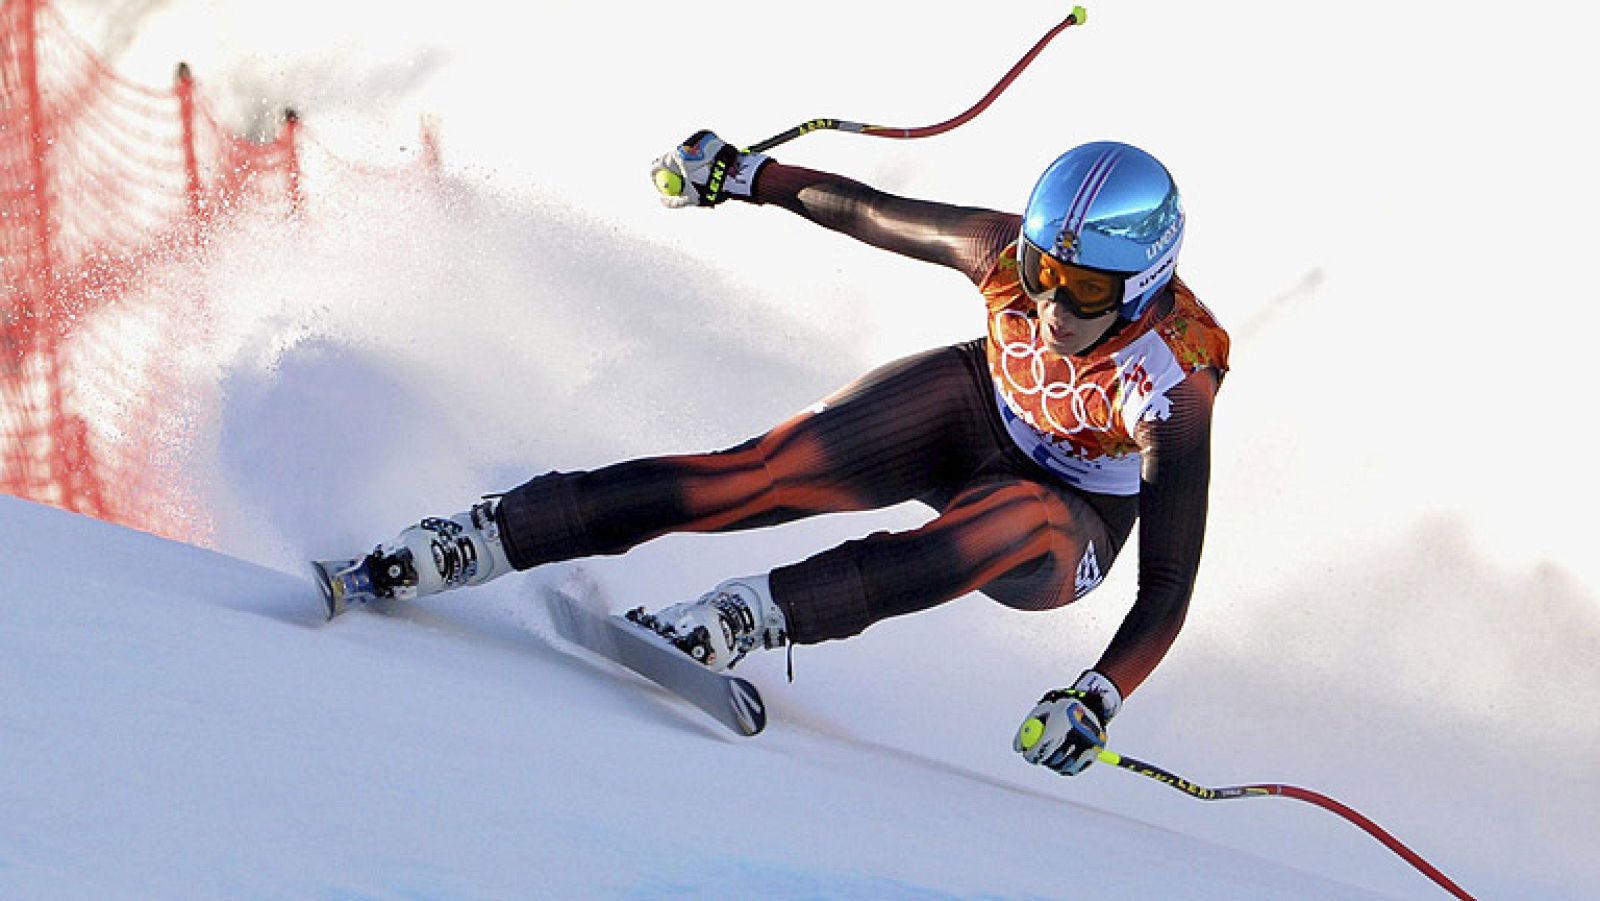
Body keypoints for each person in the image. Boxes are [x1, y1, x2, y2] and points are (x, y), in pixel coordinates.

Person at [343, 130, 1229, 778]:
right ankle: (484, 534)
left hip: (1069, 519)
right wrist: (742, 174)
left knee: (1006, 519)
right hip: (976, 409)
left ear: (1144, 287)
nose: (1052, 307)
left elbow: (1167, 582)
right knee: (756, 473)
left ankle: (746, 616)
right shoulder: (1003, 255)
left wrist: (1097, 693)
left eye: (1085, 290)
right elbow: (873, 213)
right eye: (1042, 273)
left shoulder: (1173, 380)